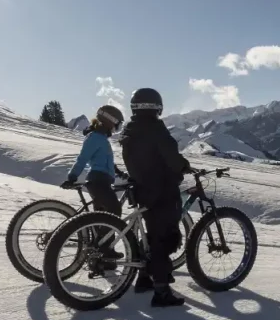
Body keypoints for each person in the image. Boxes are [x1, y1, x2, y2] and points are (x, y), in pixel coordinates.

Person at [120, 87, 191, 307]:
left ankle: (144, 278)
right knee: (164, 238)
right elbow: (170, 156)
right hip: (161, 190)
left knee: (150, 235)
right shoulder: (155, 129)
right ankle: (161, 291)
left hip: (143, 189)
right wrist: (184, 166)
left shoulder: (130, 130)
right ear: (157, 106)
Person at [62, 105, 127, 267]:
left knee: (102, 218)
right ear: (109, 121)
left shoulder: (101, 138)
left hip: (102, 181)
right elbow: (82, 158)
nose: (116, 128)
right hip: (98, 182)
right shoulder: (94, 138)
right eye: (116, 124)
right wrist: (72, 177)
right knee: (114, 212)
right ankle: (105, 249)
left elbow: (106, 162)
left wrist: (120, 173)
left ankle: (101, 257)